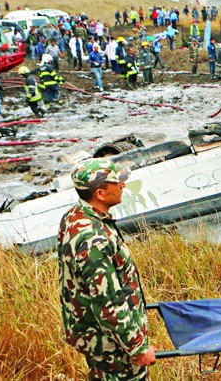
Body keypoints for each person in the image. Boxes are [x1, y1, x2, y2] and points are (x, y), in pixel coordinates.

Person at [57, 159, 156, 379]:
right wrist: (137, 348)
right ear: (100, 193)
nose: (123, 185)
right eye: (117, 182)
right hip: (112, 346)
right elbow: (108, 304)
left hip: (97, 338)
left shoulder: (75, 216)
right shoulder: (94, 239)